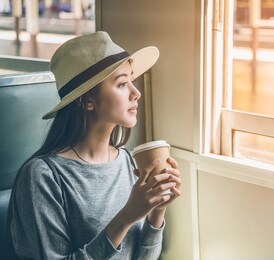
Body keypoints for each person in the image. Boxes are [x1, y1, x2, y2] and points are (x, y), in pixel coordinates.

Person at [7, 31, 181, 260]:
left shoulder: (127, 161)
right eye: (121, 84)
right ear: (87, 100)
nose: (136, 93)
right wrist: (127, 216)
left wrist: (157, 210)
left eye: (132, 81)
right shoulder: (42, 176)